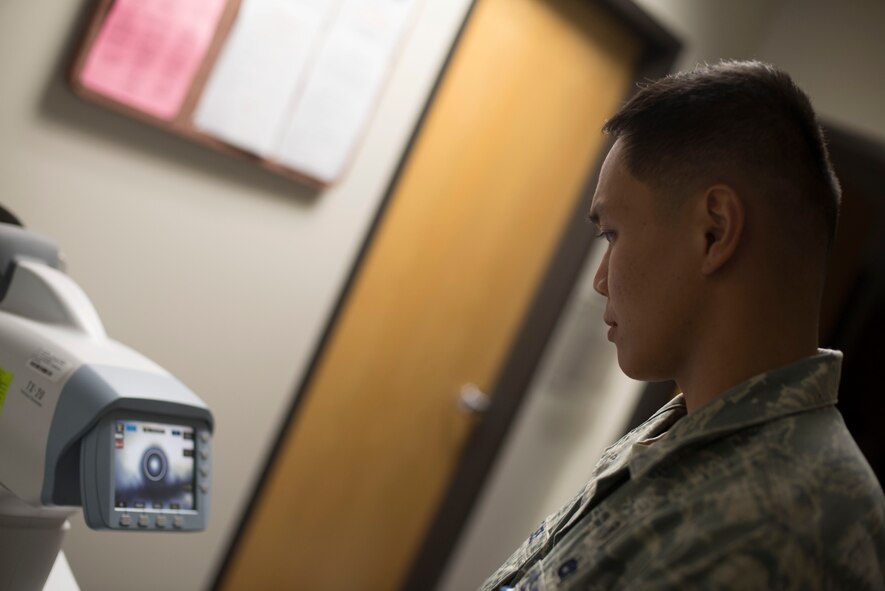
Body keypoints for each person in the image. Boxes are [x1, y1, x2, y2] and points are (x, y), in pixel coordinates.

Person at [479, 61, 885, 590]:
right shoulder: (689, 433)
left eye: (612, 236)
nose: (601, 281)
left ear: (714, 232)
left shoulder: (777, 519)